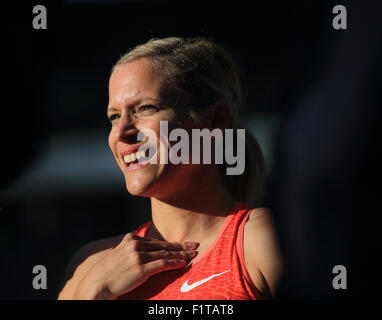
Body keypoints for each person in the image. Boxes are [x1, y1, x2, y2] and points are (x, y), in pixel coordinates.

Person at [57, 37, 283, 300]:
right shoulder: (90, 264)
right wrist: (93, 292)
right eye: (114, 116)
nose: (121, 133)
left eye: (145, 108)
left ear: (215, 120)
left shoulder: (259, 241)